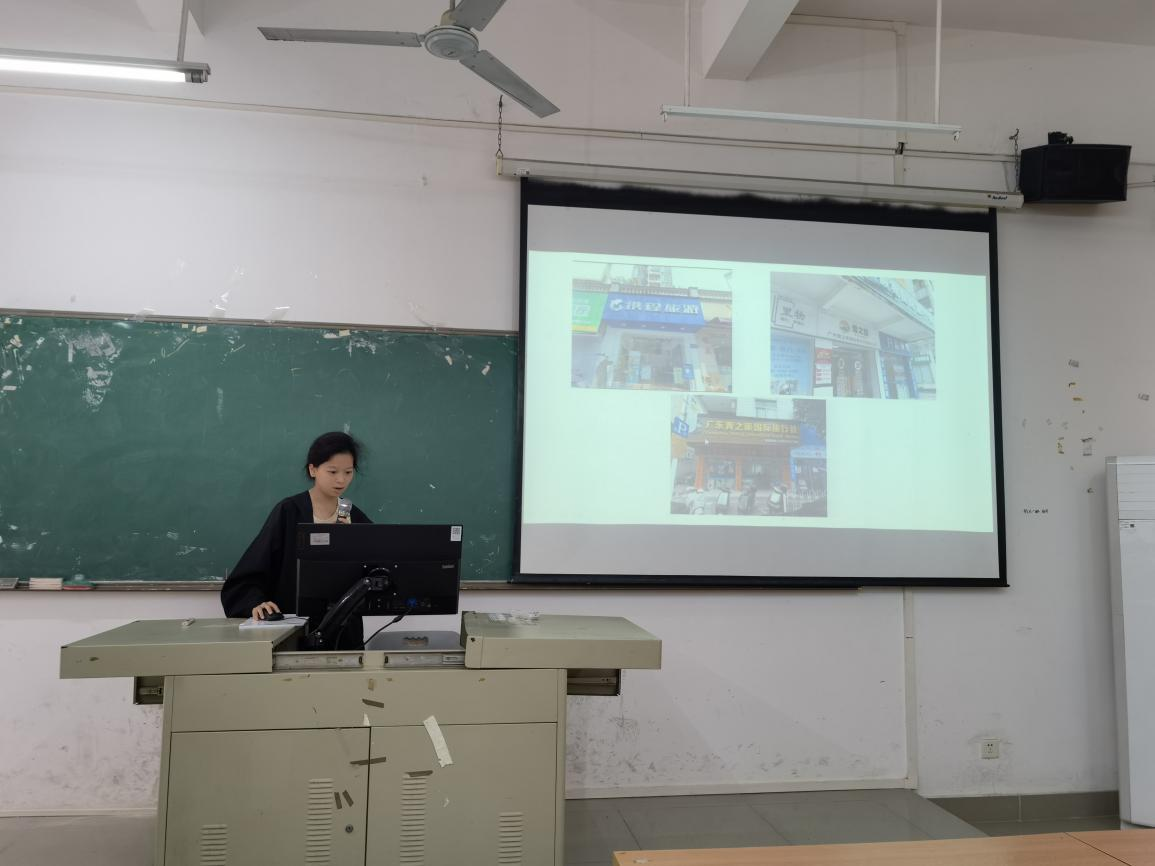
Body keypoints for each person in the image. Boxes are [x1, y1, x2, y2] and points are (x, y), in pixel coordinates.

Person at [221, 431, 372, 621]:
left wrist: (353, 543)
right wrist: (256, 602)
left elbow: (377, 568)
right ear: (313, 470)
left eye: (348, 472)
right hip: (295, 622)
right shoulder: (289, 511)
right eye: (332, 472)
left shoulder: (354, 516)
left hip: (342, 626)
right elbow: (252, 569)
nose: (341, 480)